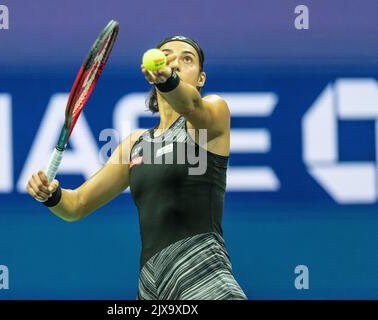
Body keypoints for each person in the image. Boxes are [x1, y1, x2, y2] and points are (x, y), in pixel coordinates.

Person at [26, 35, 247, 300]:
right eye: (167, 56)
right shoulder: (135, 145)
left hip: (204, 280)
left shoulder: (213, 113)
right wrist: (51, 194)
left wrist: (168, 80)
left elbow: (192, 105)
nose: (175, 62)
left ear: (201, 78)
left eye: (187, 59)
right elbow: (77, 205)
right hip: (152, 288)